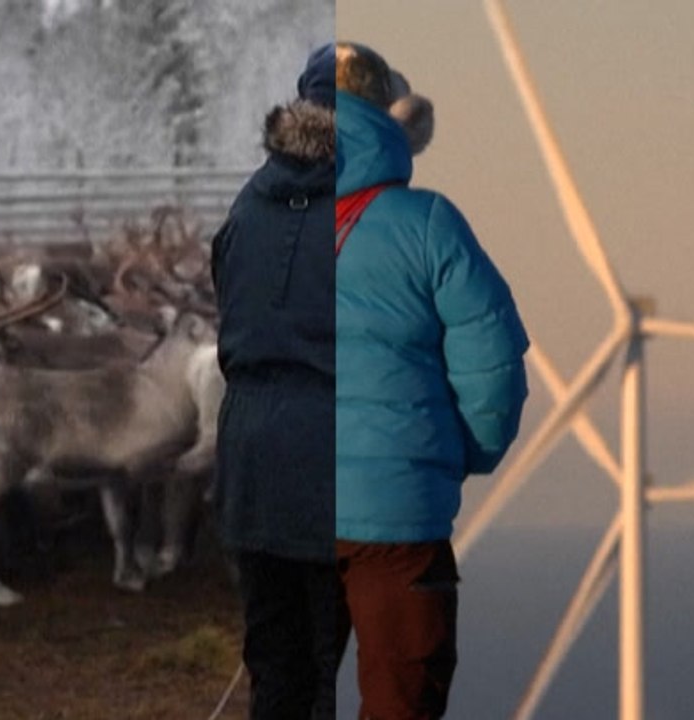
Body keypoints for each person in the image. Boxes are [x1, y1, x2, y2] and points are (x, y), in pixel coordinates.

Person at [335, 41, 530, 719]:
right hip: (399, 518)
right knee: (401, 700)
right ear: (389, 117)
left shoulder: (258, 221)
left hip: (280, 509)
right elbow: (494, 363)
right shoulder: (428, 224)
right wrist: (458, 454)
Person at [210, 44, 338, 719]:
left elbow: (229, 308)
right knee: (335, 667)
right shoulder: (369, 215)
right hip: (332, 466)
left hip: (249, 466)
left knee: (274, 663)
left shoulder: (246, 205)